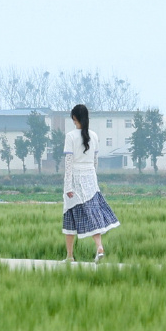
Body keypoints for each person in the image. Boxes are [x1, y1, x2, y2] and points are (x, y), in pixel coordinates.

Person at [61, 103, 120, 262]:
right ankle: (99, 247)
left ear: (74, 118)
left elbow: (68, 163)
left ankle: (70, 256)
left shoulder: (70, 136)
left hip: (75, 178)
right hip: (90, 178)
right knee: (93, 213)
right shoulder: (94, 135)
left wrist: (68, 186)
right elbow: (95, 161)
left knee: (69, 215)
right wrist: (92, 178)